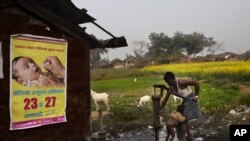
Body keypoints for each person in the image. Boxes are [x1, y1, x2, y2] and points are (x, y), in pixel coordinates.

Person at [162, 71, 200, 141]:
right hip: (179, 101)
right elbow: (165, 99)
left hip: (190, 100)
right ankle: (188, 136)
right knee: (179, 117)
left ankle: (185, 137)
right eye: (167, 83)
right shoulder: (171, 88)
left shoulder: (181, 82)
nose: (168, 84)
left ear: (172, 79)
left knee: (182, 120)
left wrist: (196, 96)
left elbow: (196, 83)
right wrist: (159, 109)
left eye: (169, 82)